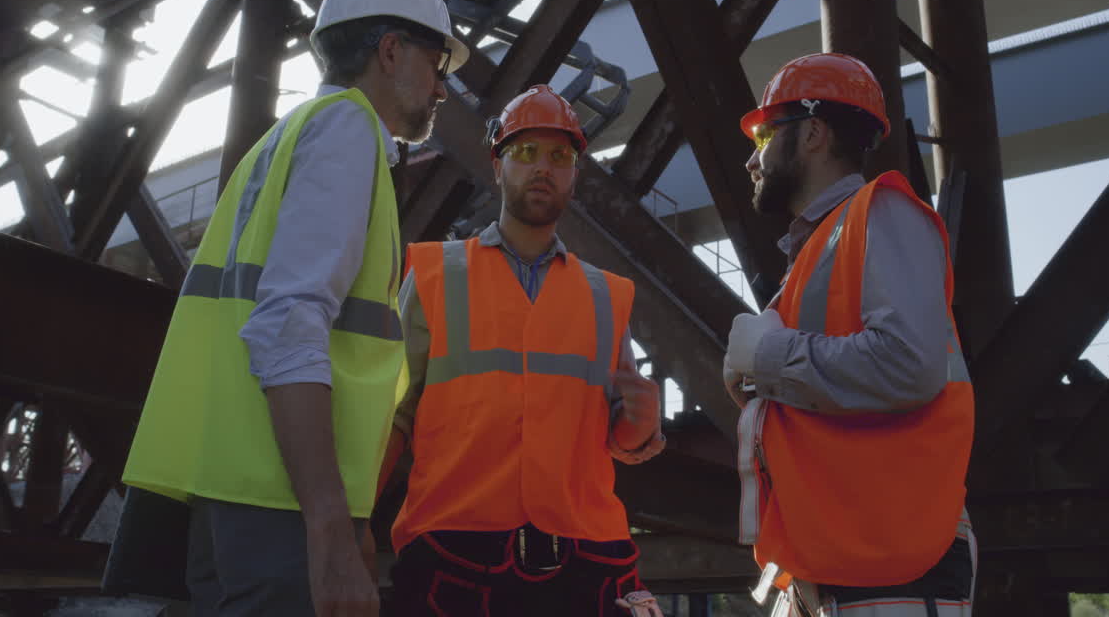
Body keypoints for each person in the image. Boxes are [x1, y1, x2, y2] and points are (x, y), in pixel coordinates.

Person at [117, 0, 468, 616]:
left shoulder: (284, 139)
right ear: (391, 51)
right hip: (279, 500)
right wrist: (331, 527)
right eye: (438, 62)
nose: (443, 90)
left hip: (235, 487)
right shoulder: (347, 130)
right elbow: (289, 321)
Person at [383, 84, 666, 616]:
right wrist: (350, 526)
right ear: (498, 167)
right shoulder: (434, 276)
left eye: (560, 156)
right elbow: (392, 419)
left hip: (586, 566)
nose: (544, 168)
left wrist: (643, 424)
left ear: (575, 174)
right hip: (455, 558)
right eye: (526, 153)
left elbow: (625, 439)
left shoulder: (606, 295)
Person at [724, 53, 976, 616]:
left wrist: (767, 356)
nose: (750, 159)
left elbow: (909, 365)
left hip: (892, 551)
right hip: (841, 555)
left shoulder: (880, 213)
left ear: (813, 133)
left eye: (764, 133)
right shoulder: (817, 249)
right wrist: (754, 382)